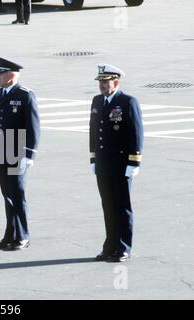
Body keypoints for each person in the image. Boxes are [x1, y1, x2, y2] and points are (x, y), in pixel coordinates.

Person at [90, 64, 144, 263]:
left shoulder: (128, 102)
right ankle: (110, 246)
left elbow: (136, 133)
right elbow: (93, 132)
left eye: (105, 82)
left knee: (122, 206)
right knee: (108, 206)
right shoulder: (97, 101)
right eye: (100, 82)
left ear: (116, 82)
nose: (102, 86)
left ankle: (123, 247)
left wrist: (134, 162)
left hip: (122, 164)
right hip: (103, 164)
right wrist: (93, 158)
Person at [0, 57, 40, 251]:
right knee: (7, 195)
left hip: (17, 151)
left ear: (11, 75)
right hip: (1, 150)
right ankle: (9, 234)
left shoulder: (25, 95)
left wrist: (29, 155)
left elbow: (33, 127)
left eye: (0, 74)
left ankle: (22, 236)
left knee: (17, 195)